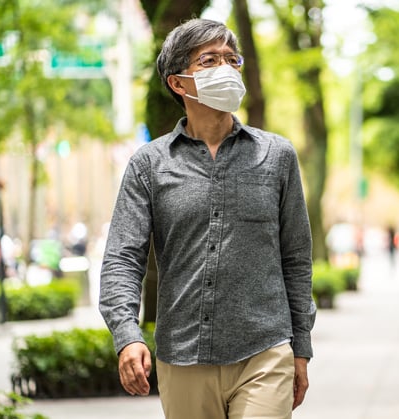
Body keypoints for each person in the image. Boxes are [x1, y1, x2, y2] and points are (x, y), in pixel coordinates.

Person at [99, 18, 316, 419]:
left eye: (232, 60)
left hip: (265, 351)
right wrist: (127, 335)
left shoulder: (277, 156)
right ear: (178, 83)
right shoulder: (149, 164)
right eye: (209, 60)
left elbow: (296, 259)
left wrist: (300, 347)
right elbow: (121, 259)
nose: (227, 69)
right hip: (182, 355)